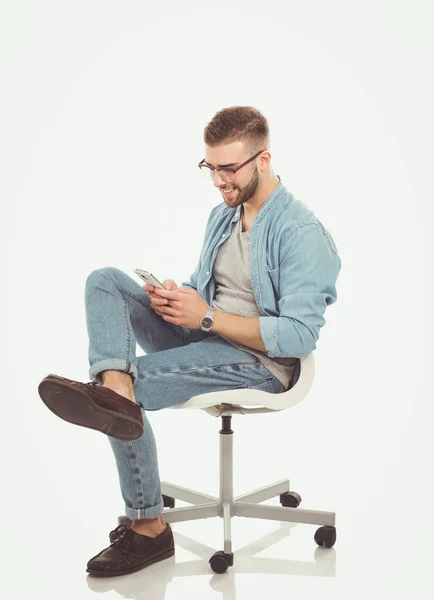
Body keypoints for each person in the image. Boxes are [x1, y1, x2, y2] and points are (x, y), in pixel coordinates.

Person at [38, 105, 342, 577]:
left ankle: (149, 528)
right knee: (106, 281)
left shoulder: (301, 233)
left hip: (262, 363)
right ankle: (114, 390)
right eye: (211, 168)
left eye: (229, 169)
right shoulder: (223, 218)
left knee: (128, 388)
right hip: (206, 336)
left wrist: (207, 318)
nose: (219, 181)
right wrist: (179, 300)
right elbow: (210, 293)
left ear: (263, 159)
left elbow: (299, 336)